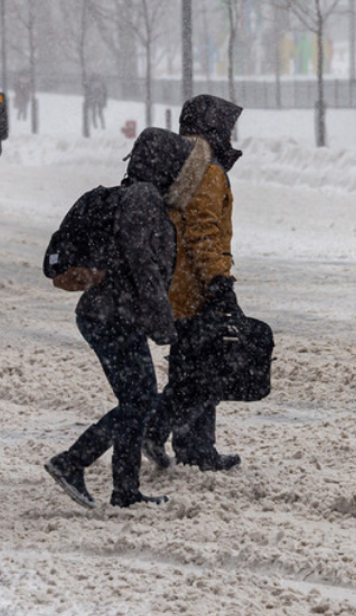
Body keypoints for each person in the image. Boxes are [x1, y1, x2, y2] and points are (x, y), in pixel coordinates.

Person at [44, 127, 210, 509]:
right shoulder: (143, 200)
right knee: (140, 403)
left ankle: (125, 490)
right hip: (113, 317)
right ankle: (73, 461)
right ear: (166, 166)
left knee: (137, 401)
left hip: (108, 316)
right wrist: (163, 325)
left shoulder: (121, 197)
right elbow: (144, 268)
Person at [142, 94, 245, 472]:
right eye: (227, 128)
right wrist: (219, 281)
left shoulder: (184, 164)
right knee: (202, 373)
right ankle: (158, 429)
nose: (231, 136)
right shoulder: (207, 171)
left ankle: (194, 446)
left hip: (176, 283)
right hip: (195, 287)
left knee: (192, 367)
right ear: (212, 128)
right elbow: (203, 232)